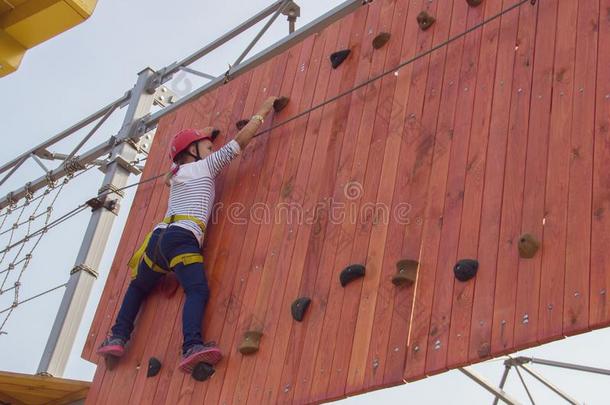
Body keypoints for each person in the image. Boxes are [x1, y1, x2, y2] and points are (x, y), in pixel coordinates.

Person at [97, 96, 279, 373]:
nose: (212, 148)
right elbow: (239, 142)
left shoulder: (177, 171)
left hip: (157, 241)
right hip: (182, 239)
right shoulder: (204, 166)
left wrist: (203, 133)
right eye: (207, 146)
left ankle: (117, 337)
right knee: (196, 290)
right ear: (193, 151)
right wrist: (263, 110)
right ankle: (191, 346)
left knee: (137, 287)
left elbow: (188, 148)